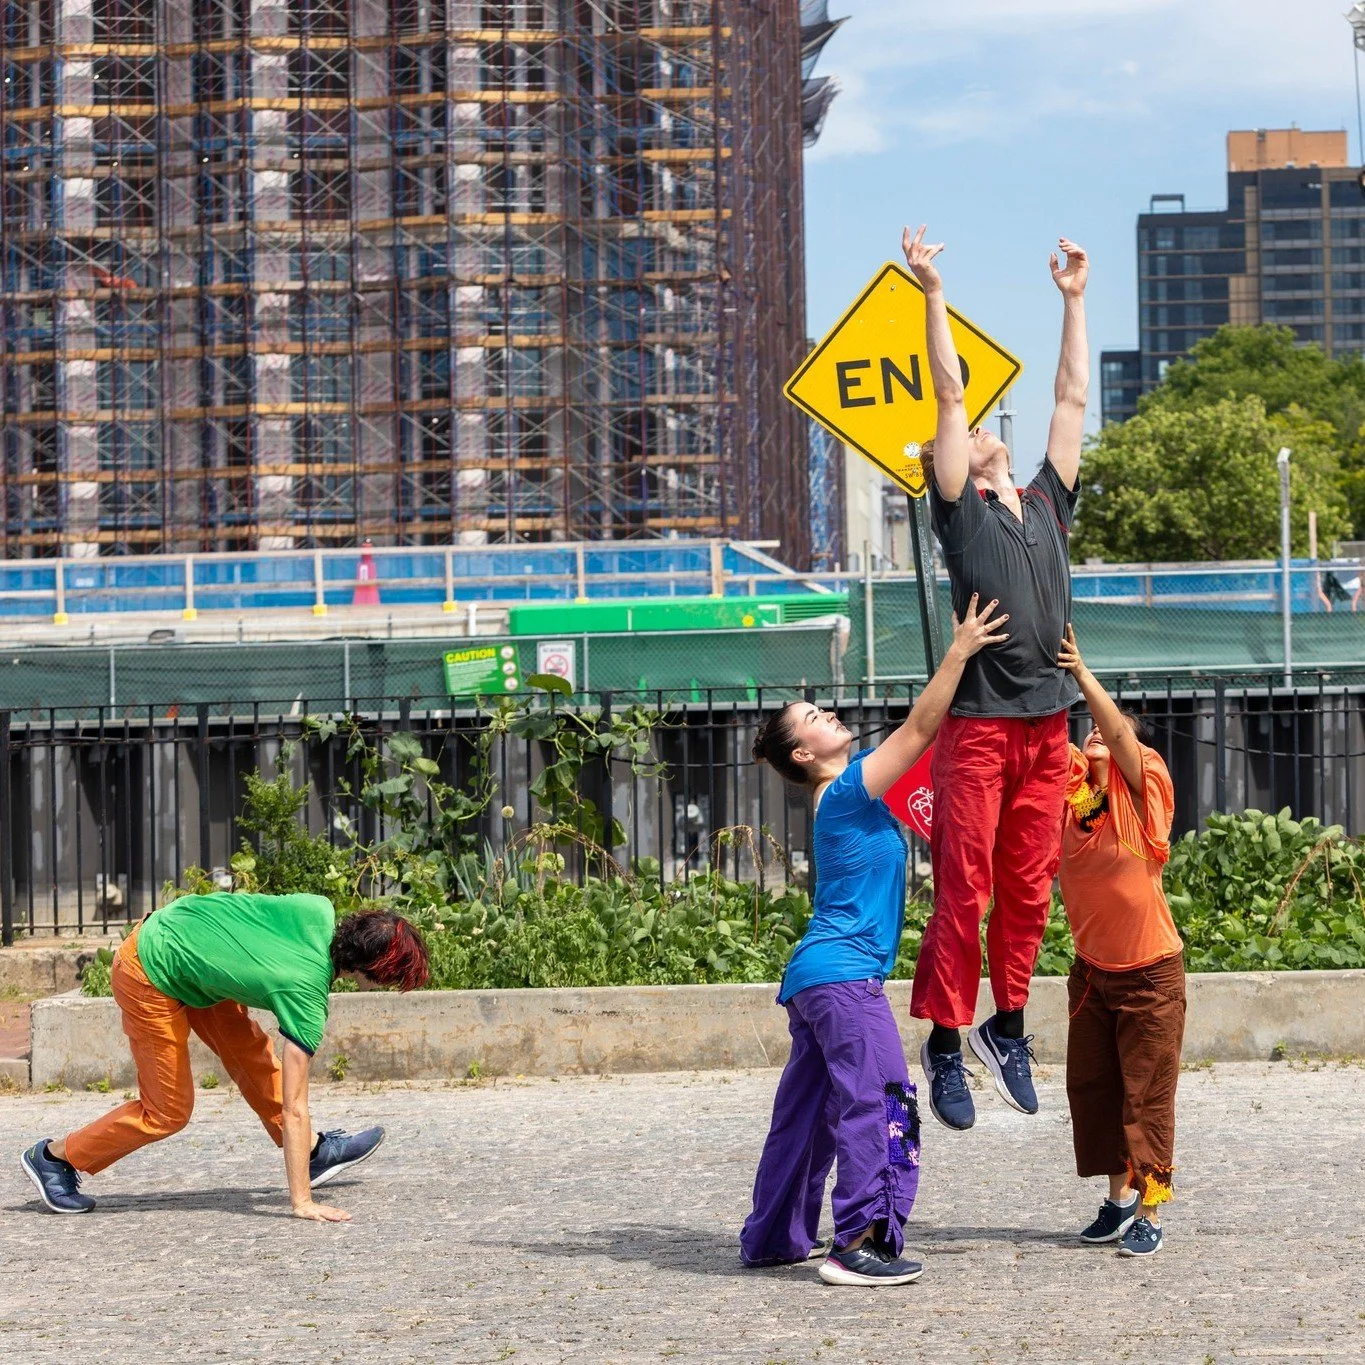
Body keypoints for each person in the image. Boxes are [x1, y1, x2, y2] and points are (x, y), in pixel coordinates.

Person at [740, 594, 1010, 1287]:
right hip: (840, 980)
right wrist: (961, 646)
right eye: (813, 721)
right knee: (881, 1100)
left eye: (820, 710)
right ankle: (857, 1241)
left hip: (816, 980)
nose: (827, 716)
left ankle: (774, 1237)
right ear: (804, 753)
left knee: (806, 1118)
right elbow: (920, 727)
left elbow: (931, 753)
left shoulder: (849, 795)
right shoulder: (849, 790)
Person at [900, 223, 1090, 1131]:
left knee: (1026, 886)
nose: (974, 429)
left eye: (980, 429)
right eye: (963, 433)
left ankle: (1004, 1026)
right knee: (963, 888)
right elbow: (946, 388)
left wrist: (1074, 301)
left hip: (1048, 722)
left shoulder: (1048, 499)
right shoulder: (960, 514)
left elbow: (1070, 396)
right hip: (977, 723)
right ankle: (943, 1041)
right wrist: (932, 294)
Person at [20, 893, 429, 1221]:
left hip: (190, 955)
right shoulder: (305, 994)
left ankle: (310, 1153)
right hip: (148, 969)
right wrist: (301, 1202)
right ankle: (54, 1158)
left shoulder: (316, 908)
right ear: (370, 969)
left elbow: (241, 915)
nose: (388, 987)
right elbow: (295, 1106)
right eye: (391, 979)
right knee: (167, 1112)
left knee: (251, 1055)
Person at [1057, 625, 1184, 1259]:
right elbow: (1038, 749)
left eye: (1110, 728)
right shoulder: (1074, 799)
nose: (1098, 733)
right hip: (1092, 973)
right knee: (1096, 1089)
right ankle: (1115, 1200)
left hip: (1151, 972)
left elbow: (1126, 742)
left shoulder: (1144, 791)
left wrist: (1082, 674)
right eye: (1092, 731)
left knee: (1148, 1094)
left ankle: (1152, 1205)